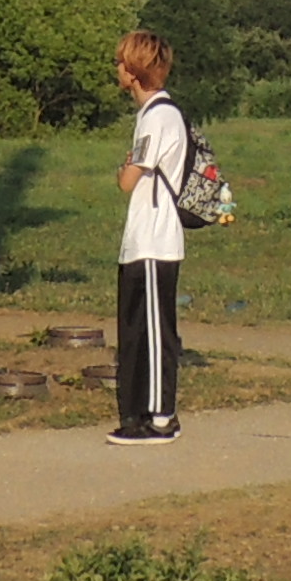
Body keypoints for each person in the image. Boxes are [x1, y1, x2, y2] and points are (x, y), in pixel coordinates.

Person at [109, 29, 192, 447]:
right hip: (141, 240)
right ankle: (139, 409)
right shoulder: (150, 115)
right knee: (136, 328)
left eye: (122, 62)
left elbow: (128, 179)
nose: (118, 70)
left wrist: (125, 167)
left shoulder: (159, 116)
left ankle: (161, 417)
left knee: (156, 330)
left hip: (157, 240)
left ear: (135, 71)